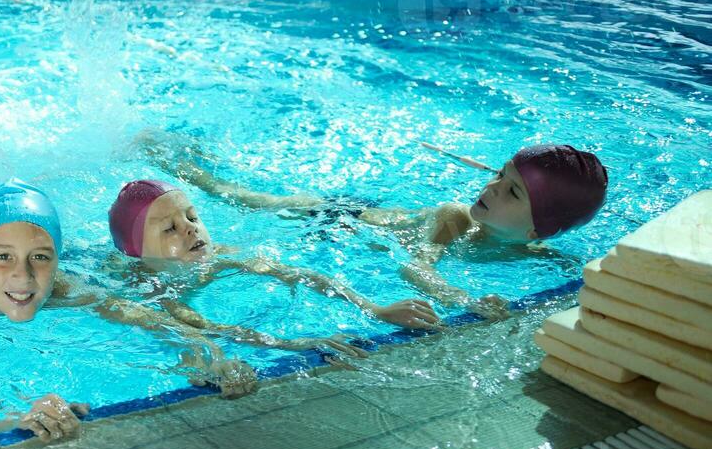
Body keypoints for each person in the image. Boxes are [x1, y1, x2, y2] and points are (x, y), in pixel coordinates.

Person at [0, 180, 345, 443]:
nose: (23, 278)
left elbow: (148, 319)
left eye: (40, 258)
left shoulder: (59, 285)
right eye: (3, 261)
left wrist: (205, 355)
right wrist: (18, 417)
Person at [145, 134, 609, 322]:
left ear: (537, 233)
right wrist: (465, 301)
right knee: (239, 196)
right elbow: (417, 268)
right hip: (340, 218)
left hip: (363, 222)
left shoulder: (539, 255)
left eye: (511, 192)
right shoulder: (453, 218)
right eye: (498, 175)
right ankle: (173, 156)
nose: (491, 188)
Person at [108, 180, 439, 336]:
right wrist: (297, 345)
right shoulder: (150, 287)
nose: (192, 231)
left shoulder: (222, 255)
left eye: (193, 218)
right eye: (169, 229)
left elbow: (299, 274)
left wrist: (375, 309)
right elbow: (203, 328)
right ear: (136, 252)